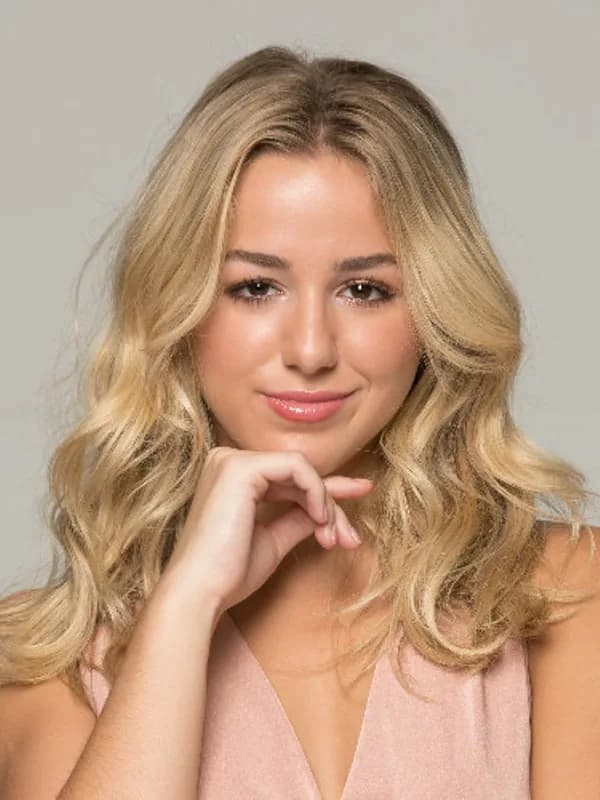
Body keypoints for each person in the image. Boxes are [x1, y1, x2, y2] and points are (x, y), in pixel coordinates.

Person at [0, 44, 599, 799]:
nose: (311, 350)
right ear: (178, 307)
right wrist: (185, 606)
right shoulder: (44, 660)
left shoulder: (565, 593)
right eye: (255, 287)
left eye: (365, 290)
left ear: (435, 312)